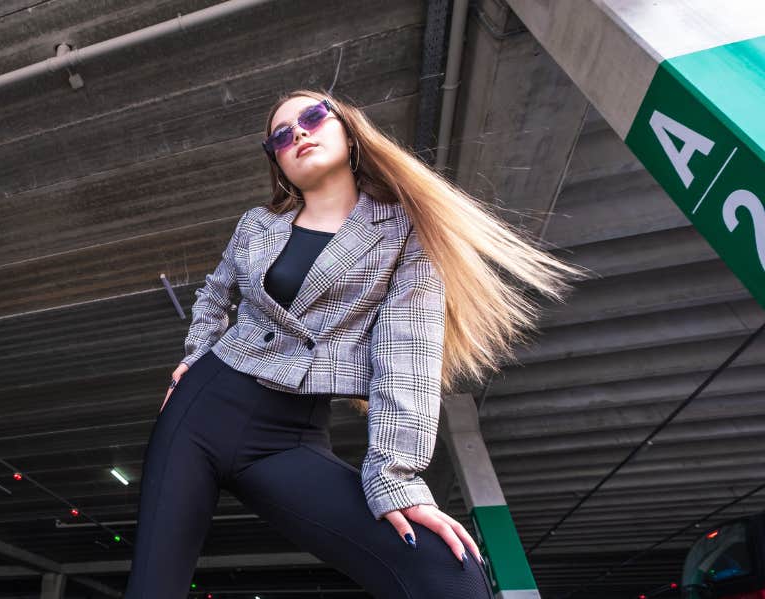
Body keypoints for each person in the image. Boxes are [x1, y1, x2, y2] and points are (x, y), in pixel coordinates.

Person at [124, 89, 585, 598]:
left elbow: (407, 353)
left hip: (286, 438)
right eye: (280, 135)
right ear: (277, 162)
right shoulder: (258, 225)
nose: (297, 132)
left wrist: (396, 476)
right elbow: (214, 294)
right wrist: (193, 358)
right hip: (200, 413)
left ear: (348, 129)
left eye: (313, 117)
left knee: (445, 572)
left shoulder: (402, 232)